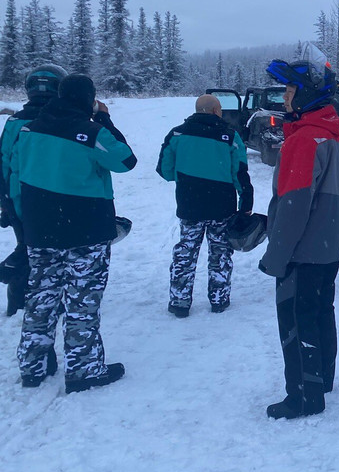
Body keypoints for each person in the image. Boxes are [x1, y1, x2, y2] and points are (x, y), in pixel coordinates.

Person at [12, 74, 136, 392]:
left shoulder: (29, 129)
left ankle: (32, 365)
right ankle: (83, 369)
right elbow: (125, 160)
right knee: (82, 299)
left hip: (40, 229)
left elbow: (19, 171)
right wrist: (104, 118)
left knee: (41, 296)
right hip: (85, 230)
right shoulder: (91, 132)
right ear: (88, 99)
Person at [259, 58, 339, 419]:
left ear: (306, 95)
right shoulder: (334, 133)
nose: (284, 97)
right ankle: (321, 379)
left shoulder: (304, 140)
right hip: (329, 246)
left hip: (304, 249)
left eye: (289, 90)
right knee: (320, 312)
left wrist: (276, 256)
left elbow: (294, 205)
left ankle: (303, 394)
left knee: (297, 320)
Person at [157, 94, 254, 317]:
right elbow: (240, 173)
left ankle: (179, 302)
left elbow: (164, 169)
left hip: (189, 206)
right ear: (214, 111)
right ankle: (219, 300)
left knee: (186, 251)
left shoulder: (177, 134)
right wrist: (246, 203)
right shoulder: (230, 137)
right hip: (222, 207)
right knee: (220, 252)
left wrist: (187, 179)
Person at [1, 64, 67, 319]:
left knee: (26, 244)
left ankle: (18, 296)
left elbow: (3, 162)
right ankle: (47, 297)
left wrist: (5, 200)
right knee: (54, 252)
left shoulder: (15, 122)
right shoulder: (65, 120)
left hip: (19, 199)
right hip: (55, 197)